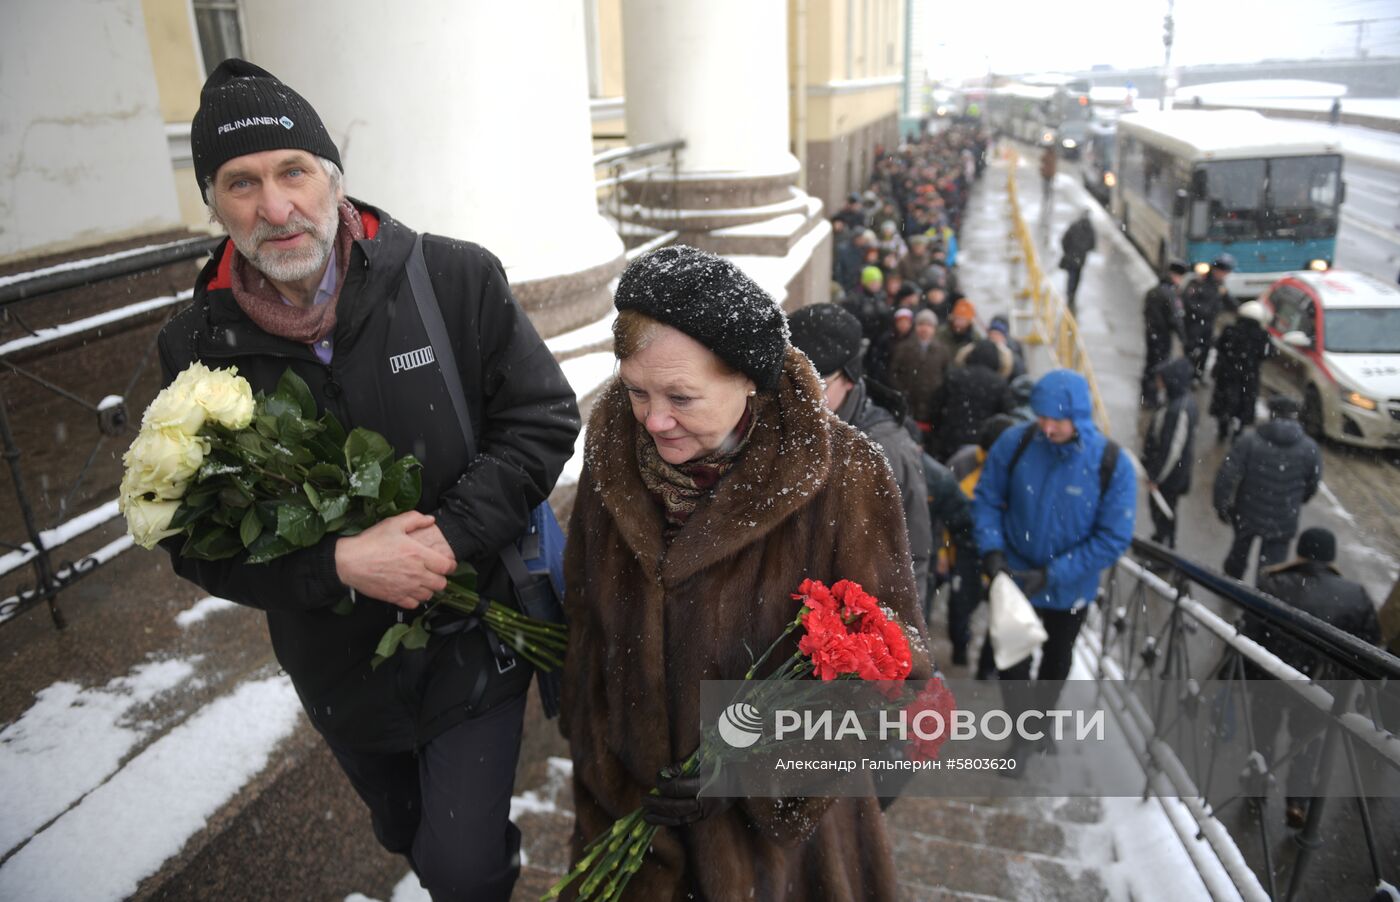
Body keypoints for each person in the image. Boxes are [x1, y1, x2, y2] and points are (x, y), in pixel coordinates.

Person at [157, 60, 579, 900]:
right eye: (241, 183)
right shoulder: (194, 346)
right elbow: (191, 539)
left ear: (333, 179)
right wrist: (341, 566)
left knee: (461, 867)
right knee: (405, 830)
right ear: (212, 201)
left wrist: (447, 543)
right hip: (336, 664)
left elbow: (541, 420)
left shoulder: (452, 279)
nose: (275, 208)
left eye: (293, 172)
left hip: (476, 637)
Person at [560, 246, 932, 899]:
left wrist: (745, 769)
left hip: (779, 862)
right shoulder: (614, 449)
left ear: (750, 383)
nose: (653, 420)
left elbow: (895, 676)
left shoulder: (845, 477)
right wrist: (602, 770)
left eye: (681, 397)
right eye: (637, 391)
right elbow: (589, 628)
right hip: (633, 831)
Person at [973, 370, 1135, 739]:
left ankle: (1040, 727)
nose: (1046, 427)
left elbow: (1113, 536)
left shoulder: (1111, 463)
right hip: (1014, 575)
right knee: (1012, 661)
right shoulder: (1016, 443)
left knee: (1055, 662)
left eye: (1056, 419)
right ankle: (1021, 732)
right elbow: (987, 500)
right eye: (1041, 417)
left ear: (1078, 416)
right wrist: (993, 552)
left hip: (1069, 588)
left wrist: (1052, 575)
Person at [790, 303, 934, 601]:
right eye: (790, 381)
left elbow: (911, 557)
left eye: (816, 384)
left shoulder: (886, 451)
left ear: (849, 378)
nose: (798, 395)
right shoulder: (784, 424)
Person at [1247, 528, 1380, 827]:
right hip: (1320, 686)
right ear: (1331, 557)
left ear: (1301, 551)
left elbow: (1250, 630)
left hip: (1272, 676)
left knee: (1264, 734)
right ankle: (1298, 800)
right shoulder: (1355, 595)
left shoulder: (1272, 582)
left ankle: (1257, 784)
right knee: (1306, 741)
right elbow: (1370, 645)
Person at [1213, 397, 1322, 581]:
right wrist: (1297, 499)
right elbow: (1313, 482)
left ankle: (1231, 584)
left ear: (1271, 414)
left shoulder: (1250, 440)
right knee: (1271, 569)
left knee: (1238, 552)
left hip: (1247, 510)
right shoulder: (1309, 448)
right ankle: (1261, 599)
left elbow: (1227, 474)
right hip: (1283, 517)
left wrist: (1221, 504)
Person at [1142, 358, 1198, 548]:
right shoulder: (1177, 402)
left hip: (1170, 477)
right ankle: (1162, 540)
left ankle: (1164, 547)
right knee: (1164, 509)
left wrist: (1156, 477)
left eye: (1160, 379)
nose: (1157, 382)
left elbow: (1171, 449)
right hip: (1172, 474)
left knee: (1164, 510)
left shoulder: (1178, 409)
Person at [930, 340, 1016, 461]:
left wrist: (936, 434)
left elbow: (935, 407)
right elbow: (1007, 415)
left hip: (950, 441)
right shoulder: (999, 383)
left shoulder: (954, 375)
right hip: (980, 445)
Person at [1209, 300, 1273, 441]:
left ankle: (1223, 427)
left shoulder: (1230, 330)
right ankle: (1238, 429)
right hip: (1248, 377)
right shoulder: (1262, 336)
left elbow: (1219, 346)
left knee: (1224, 401)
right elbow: (1267, 354)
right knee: (1244, 404)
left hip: (1226, 374)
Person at [888, 309, 951, 443]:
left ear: (934, 329)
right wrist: (902, 392)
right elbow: (893, 373)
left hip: (931, 407)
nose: (925, 329)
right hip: (909, 403)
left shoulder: (943, 350)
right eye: (921, 324)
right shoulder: (903, 348)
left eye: (929, 325)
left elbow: (946, 376)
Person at [1141, 260, 1190, 407]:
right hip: (1162, 337)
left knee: (1149, 365)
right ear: (1176, 276)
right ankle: (1151, 399)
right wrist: (1183, 339)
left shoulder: (1153, 291)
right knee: (1158, 368)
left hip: (1151, 335)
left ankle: (1146, 397)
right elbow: (1175, 319)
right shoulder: (1170, 294)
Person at [1183, 254, 1235, 381]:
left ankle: (1198, 375)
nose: (1222, 275)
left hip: (1208, 324)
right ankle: (1186, 375)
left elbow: (1231, 304)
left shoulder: (1220, 286)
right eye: (1221, 271)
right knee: (1191, 350)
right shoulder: (1200, 281)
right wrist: (1201, 311)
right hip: (1194, 322)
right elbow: (1188, 300)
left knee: (1205, 351)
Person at [843, 265, 894, 383]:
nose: (875, 285)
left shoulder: (882, 298)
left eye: (877, 282)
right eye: (872, 282)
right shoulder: (855, 299)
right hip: (861, 342)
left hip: (877, 344)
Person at [1059, 209, 1096, 312]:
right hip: (1080, 260)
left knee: (1072, 275)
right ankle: (1072, 293)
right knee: (1077, 277)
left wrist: (1067, 251)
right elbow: (1092, 245)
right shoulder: (1090, 230)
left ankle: (1070, 294)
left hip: (1072, 257)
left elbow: (1064, 240)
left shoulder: (1074, 226)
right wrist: (1083, 250)